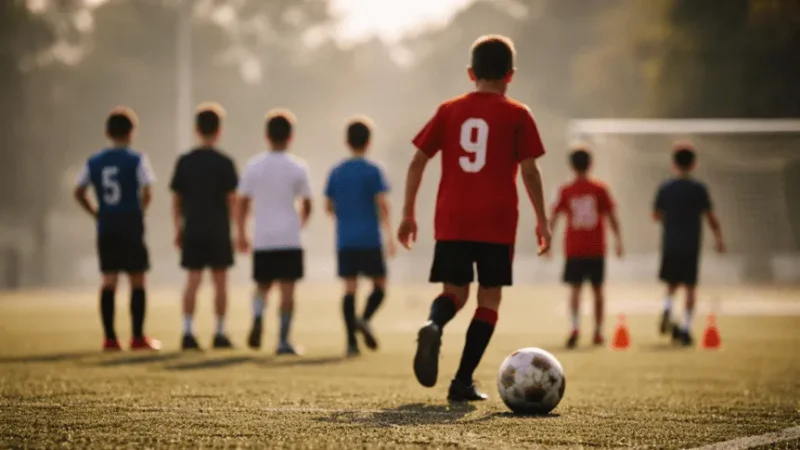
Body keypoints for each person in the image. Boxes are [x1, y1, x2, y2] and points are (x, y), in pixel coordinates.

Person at [398, 35, 550, 401]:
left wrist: (407, 213)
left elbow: (418, 160)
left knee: (454, 292)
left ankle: (434, 323)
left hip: (453, 216)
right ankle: (462, 380)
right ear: (510, 75)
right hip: (497, 220)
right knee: (489, 299)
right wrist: (542, 220)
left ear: (470, 73)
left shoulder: (449, 109)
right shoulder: (518, 114)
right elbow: (529, 171)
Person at [73, 106, 160, 351]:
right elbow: (148, 189)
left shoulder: (94, 161)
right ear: (131, 132)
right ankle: (137, 337)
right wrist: (141, 211)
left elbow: (78, 191)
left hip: (107, 225)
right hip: (131, 224)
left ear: (107, 132)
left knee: (109, 279)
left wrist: (95, 212)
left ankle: (110, 338)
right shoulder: (137, 159)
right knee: (137, 279)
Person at [236, 109, 312, 356]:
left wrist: (241, 232)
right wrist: (299, 223)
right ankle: (282, 340)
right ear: (291, 137)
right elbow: (308, 203)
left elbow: (243, 202)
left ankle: (258, 317)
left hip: (263, 236)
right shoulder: (298, 167)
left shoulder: (254, 165)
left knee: (262, 286)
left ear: (266, 136)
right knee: (287, 290)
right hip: (289, 237)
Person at [324, 117, 396, 357]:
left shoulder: (336, 171)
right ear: (369, 142)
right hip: (370, 238)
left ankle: (351, 343)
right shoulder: (374, 170)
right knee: (380, 286)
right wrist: (390, 235)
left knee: (349, 288)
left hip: (345, 239)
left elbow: (328, 206)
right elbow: (382, 204)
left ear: (347, 141)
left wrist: (345, 219)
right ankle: (364, 319)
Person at [170, 103, 238, 351]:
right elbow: (232, 201)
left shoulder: (185, 161)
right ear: (219, 130)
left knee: (193, 281)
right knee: (220, 282)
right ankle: (220, 332)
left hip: (193, 228)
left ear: (196, 129)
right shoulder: (225, 162)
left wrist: (177, 228)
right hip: (218, 229)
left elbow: (176, 200)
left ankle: (188, 331)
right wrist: (235, 230)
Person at [550, 146, 622, 349]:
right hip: (596, 248)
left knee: (575, 290)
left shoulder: (565, 190)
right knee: (598, 291)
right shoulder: (600, 189)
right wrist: (618, 241)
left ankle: (574, 327)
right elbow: (611, 216)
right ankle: (598, 331)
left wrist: (547, 242)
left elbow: (553, 217)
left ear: (571, 165)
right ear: (590, 164)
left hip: (574, 248)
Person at [653, 143, 725, 346]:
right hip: (691, 244)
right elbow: (710, 216)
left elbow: (656, 215)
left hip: (671, 243)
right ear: (694, 164)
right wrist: (719, 238)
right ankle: (685, 328)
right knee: (690, 287)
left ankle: (667, 307)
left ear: (673, 164)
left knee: (671, 284)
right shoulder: (699, 189)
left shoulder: (666, 188)